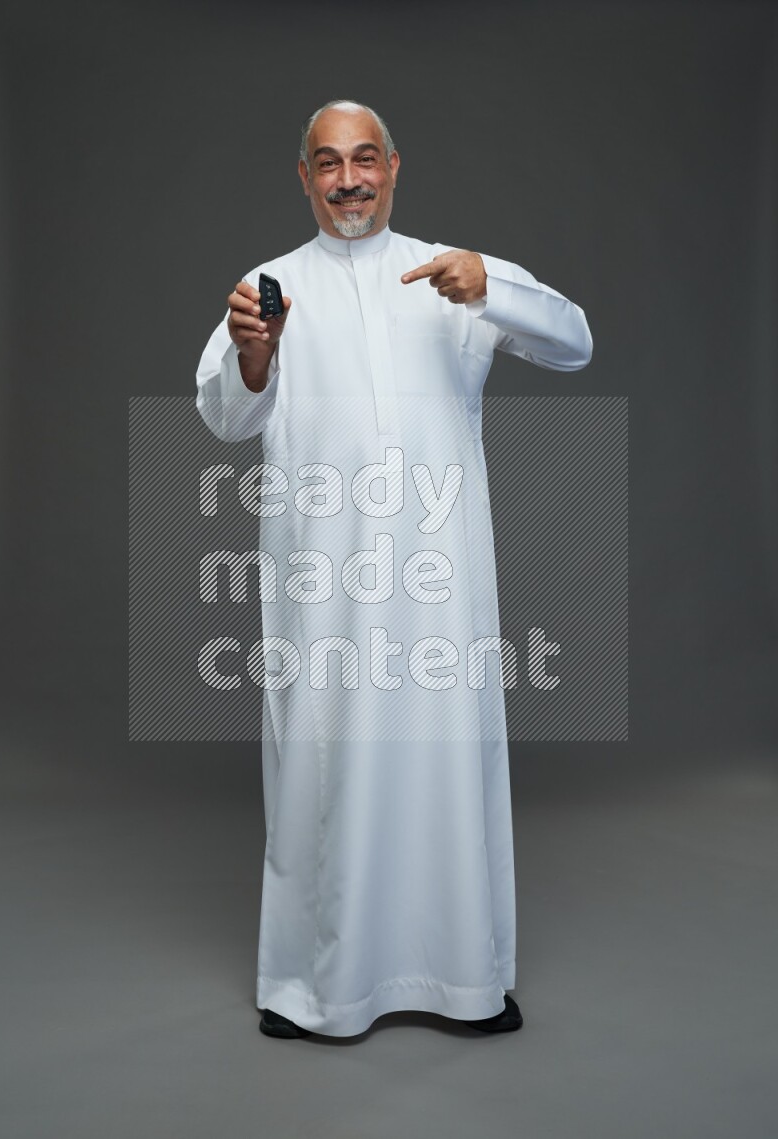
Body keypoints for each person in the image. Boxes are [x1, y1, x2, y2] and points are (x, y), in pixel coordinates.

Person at [195, 99, 592, 1039]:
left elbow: (574, 343)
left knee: (447, 763)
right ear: (304, 178)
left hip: (438, 584)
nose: (348, 180)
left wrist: (491, 283)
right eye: (327, 164)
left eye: (364, 159)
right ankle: (310, 990)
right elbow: (225, 418)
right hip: (322, 585)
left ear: (394, 167)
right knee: (322, 769)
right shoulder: (269, 287)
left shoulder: (451, 275)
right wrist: (255, 359)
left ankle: (464, 980)